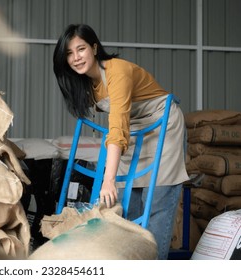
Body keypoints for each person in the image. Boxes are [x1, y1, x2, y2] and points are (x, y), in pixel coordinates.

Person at [53, 23, 189, 260]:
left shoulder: (117, 72)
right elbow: (119, 126)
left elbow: (116, 128)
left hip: (162, 127)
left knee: (155, 202)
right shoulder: (88, 84)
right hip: (135, 131)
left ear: (94, 48)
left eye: (81, 49)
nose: (75, 58)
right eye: (69, 53)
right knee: (127, 205)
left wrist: (108, 179)